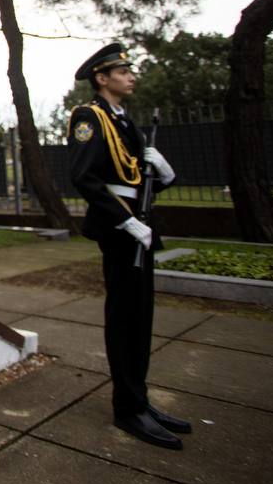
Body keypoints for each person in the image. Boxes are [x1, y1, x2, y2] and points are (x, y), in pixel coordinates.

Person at [68, 43, 188, 450]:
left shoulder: (126, 122)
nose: (131, 75)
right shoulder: (89, 117)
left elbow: (140, 179)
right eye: (122, 71)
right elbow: (84, 177)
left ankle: (140, 399)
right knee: (124, 319)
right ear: (102, 79)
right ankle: (127, 408)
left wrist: (166, 174)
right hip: (120, 230)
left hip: (140, 227)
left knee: (141, 318)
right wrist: (125, 220)